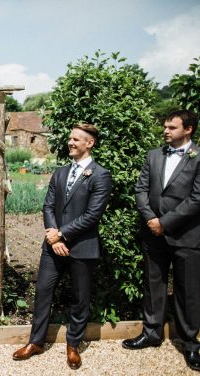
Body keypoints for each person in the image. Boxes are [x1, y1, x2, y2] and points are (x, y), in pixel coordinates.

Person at [12, 124, 112, 370]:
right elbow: (48, 206)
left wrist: (61, 235)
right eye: (70, 138)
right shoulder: (60, 172)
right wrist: (52, 237)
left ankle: (73, 345)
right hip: (52, 247)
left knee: (80, 298)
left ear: (90, 143)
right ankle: (36, 342)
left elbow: (92, 216)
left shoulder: (100, 175)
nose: (70, 142)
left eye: (76, 139)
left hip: (82, 248)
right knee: (43, 292)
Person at [122, 110, 200, 371]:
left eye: (172, 127)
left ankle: (190, 344)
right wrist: (151, 219)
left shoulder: (198, 157)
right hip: (152, 233)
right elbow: (141, 189)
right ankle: (151, 333)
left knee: (187, 291)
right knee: (153, 285)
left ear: (188, 129)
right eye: (165, 126)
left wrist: (165, 223)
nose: (166, 131)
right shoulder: (153, 155)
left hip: (186, 235)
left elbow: (197, 199)